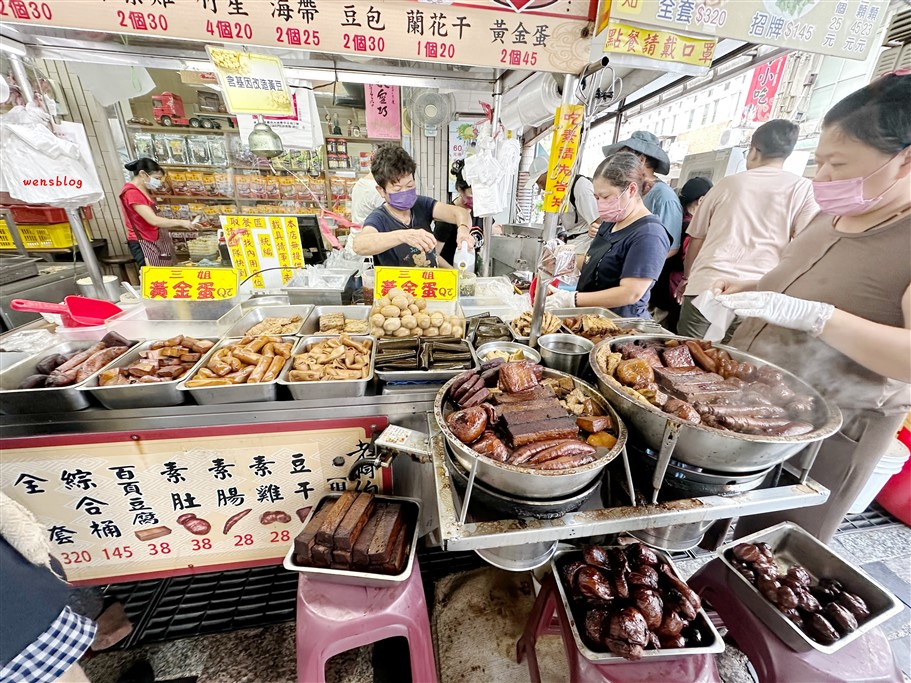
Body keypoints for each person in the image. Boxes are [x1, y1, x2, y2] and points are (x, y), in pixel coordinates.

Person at [713, 73, 911, 544]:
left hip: (834, 427)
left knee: (775, 548)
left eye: (838, 165)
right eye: (818, 161)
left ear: (904, 161)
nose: (821, 178)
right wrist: (756, 287)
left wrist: (819, 317)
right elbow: (810, 276)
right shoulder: (830, 214)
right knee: (718, 521)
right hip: (754, 402)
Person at [677, 120, 819, 340]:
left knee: (687, 357)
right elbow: (804, 246)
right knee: (735, 361)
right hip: (755, 294)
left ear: (753, 150)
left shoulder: (726, 184)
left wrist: (687, 278)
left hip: (707, 286)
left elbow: (697, 238)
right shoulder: (803, 189)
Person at [545, 152, 670, 318]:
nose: (599, 204)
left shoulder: (649, 234)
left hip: (621, 326)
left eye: (605, 197)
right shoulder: (610, 223)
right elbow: (594, 261)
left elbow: (630, 293)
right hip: (592, 318)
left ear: (631, 189)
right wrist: (563, 260)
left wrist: (572, 299)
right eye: (596, 197)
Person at [352, 145, 475, 267]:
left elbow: (460, 213)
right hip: (397, 285)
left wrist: (463, 230)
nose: (405, 192)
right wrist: (403, 236)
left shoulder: (421, 205)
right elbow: (359, 245)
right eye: (397, 189)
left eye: (410, 186)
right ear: (381, 191)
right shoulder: (379, 218)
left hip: (428, 283)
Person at [602, 130, 683, 256]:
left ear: (641, 159)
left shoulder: (664, 197)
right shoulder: (628, 190)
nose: (617, 163)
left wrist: (633, 262)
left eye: (624, 158)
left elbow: (670, 248)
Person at [650, 176, 713, 333]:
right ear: (702, 200)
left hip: (658, 282)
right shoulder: (692, 227)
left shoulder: (675, 218)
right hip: (671, 288)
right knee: (662, 331)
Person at [119, 158, 203, 267]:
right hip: (144, 242)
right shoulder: (132, 193)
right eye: (156, 178)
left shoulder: (143, 190)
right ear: (143, 174)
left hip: (155, 240)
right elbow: (153, 220)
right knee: (155, 278)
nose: (158, 183)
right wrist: (183, 223)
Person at [527, 156, 600, 254]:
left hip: (585, 242)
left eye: (540, 182)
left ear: (550, 173)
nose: (540, 187)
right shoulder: (556, 190)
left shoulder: (580, 187)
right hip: (571, 240)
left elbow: (597, 222)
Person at [434, 160, 483, 266]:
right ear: (460, 190)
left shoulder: (480, 211)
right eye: (473, 193)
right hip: (450, 274)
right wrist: (455, 273)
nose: (478, 198)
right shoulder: (446, 218)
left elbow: (492, 229)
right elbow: (435, 255)